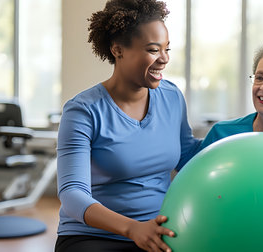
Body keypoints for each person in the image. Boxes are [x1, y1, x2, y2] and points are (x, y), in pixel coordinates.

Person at [55, 1, 200, 251]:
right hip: (94, 236)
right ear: (118, 49)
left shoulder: (172, 97)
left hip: (159, 230)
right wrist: (133, 228)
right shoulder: (82, 110)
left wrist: (246, 131)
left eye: (167, 49)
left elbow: (189, 156)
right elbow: (72, 195)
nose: (164, 59)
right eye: (154, 50)